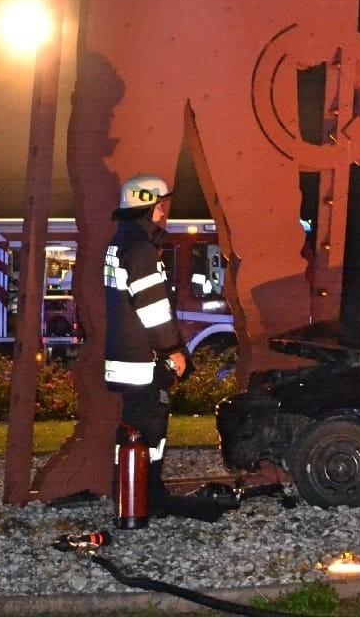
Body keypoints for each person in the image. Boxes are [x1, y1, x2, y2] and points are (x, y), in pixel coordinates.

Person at [103, 174, 215, 521]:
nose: (165, 212)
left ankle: (133, 493)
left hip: (127, 357)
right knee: (150, 433)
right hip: (143, 360)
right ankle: (145, 497)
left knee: (135, 432)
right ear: (148, 206)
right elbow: (152, 310)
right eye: (161, 204)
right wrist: (172, 350)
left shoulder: (124, 242)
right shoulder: (140, 249)